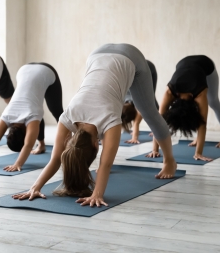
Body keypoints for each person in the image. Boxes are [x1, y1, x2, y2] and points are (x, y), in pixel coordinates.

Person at [12, 44, 177, 207]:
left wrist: (97, 194)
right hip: (96, 54)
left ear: (95, 145)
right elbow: (56, 159)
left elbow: (105, 164)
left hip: (130, 56)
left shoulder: (110, 120)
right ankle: (168, 159)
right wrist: (34, 187)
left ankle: (169, 160)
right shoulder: (68, 116)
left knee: (148, 112)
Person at [0, 63, 63, 171]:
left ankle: (69, 144)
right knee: (37, 118)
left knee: (58, 112)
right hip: (23, 69)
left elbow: (28, 145)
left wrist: (18, 164)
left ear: (26, 134)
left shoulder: (31, 115)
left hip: (46, 71)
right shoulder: (7, 115)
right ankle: (41, 145)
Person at [150, 55, 220, 161]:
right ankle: (199, 139)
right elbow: (158, 122)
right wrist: (155, 149)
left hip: (206, 65)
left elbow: (202, 124)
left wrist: (198, 153)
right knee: (161, 117)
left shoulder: (200, 94)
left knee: (214, 102)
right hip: (183, 63)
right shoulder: (169, 92)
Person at [122, 60, 158, 144]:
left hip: (149, 68)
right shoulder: (120, 103)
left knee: (151, 98)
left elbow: (136, 122)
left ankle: (156, 129)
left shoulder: (139, 104)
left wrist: (134, 138)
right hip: (135, 67)